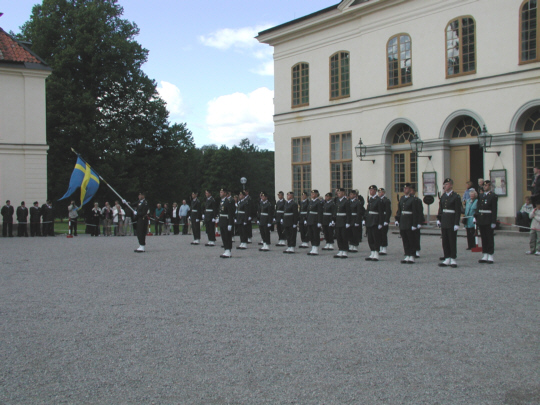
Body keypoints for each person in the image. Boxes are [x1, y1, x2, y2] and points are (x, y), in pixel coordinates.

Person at [437, 178, 462, 268]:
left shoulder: (455, 196)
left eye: (447, 184)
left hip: (451, 220)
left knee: (452, 240)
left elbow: (457, 211)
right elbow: (441, 208)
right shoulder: (443, 196)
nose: (445, 186)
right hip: (444, 220)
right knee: (445, 240)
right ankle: (446, 257)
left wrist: (456, 223)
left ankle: (453, 258)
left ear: (451, 185)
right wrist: (439, 219)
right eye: (444, 184)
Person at [476, 180, 498, 264]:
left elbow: (494, 209)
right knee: (483, 237)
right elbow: (478, 207)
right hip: (482, 218)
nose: (484, 187)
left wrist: (493, 221)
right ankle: (485, 254)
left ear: (489, 186)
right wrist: (476, 217)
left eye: (486, 185)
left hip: (488, 218)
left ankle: (490, 254)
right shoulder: (481, 195)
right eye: (484, 186)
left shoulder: (493, 196)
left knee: (489, 237)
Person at [395, 183, 417, 264]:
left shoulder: (413, 199)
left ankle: (412, 255)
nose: (405, 190)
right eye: (404, 189)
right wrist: (397, 219)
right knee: (404, 239)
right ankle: (407, 254)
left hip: (409, 220)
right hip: (403, 221)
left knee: (411, 239)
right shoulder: (402, 198)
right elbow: (399, 210)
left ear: (410, 190)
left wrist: (415, 224)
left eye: (407, 189)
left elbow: (415, 212)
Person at [364, 185, 384, 261]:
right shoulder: (371, 199)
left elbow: (381, 212)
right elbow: (368, 210)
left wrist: (380, 223)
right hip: (369, 220)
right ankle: (372, 252)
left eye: (372, 190)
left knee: (376, 237)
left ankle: (376, 252)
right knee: (370, 238)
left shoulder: (378, 200)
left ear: (375, 191)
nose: (371, 192)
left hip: (375, 220)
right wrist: (364, 219)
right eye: (370, 191)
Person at [334, 188, 351, 259]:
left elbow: (348, 213)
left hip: (343, 220)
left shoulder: (346, 201)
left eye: (340, 193)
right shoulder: (337, 201)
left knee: (344, 236)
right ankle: (340, 249)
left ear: (343, 193)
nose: (338, 194)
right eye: (338, 193)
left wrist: (348, 222)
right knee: (338, 236)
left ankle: (345, 251)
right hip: (338, 221)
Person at [219, 188, 235, 258]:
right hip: (222, 220)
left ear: (225, 193)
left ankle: (228, 250)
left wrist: (230, 224)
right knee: (223, 236)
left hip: (226, 220)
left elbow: (230, 213)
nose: (220, 193)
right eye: (220, 192)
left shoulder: (228, 201)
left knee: (227, 236)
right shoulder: (221, 201)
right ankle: (226, 249)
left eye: (222, 192)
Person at [306, 190, 323, 256]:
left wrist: (319, 222)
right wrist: (306, 219)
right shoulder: (311, 202)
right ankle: (313, 247)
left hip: (315, 220)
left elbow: (320, 213)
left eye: (313, 194)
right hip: (310, 220)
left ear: (317, 194)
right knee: (311, 234)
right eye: (312, 193)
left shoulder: (318, 202)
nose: (312, 195)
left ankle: (316, 248)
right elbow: (308, 211)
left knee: (315, 234)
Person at [410, 185, 425, 258]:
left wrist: (420, 222)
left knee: (416, 236)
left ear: (414, 192)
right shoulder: (406, 199)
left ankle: (417, 250)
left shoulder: (417, 200)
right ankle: (410, 250)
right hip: (409, 220)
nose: (410, 192)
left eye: (412, 191)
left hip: (415, 220)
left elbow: (420, 212)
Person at [378, 188, 391, 255]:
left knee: (383, 234)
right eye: (379, 192)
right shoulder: (377, 200)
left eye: (380, 192)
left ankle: (384, 248)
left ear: (383, 193)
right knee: (379, 234)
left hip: (384, 218)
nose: (379, 193)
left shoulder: (386, 200)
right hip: (379, 218)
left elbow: (388, 211)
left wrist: (386, 220)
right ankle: (380, 246)